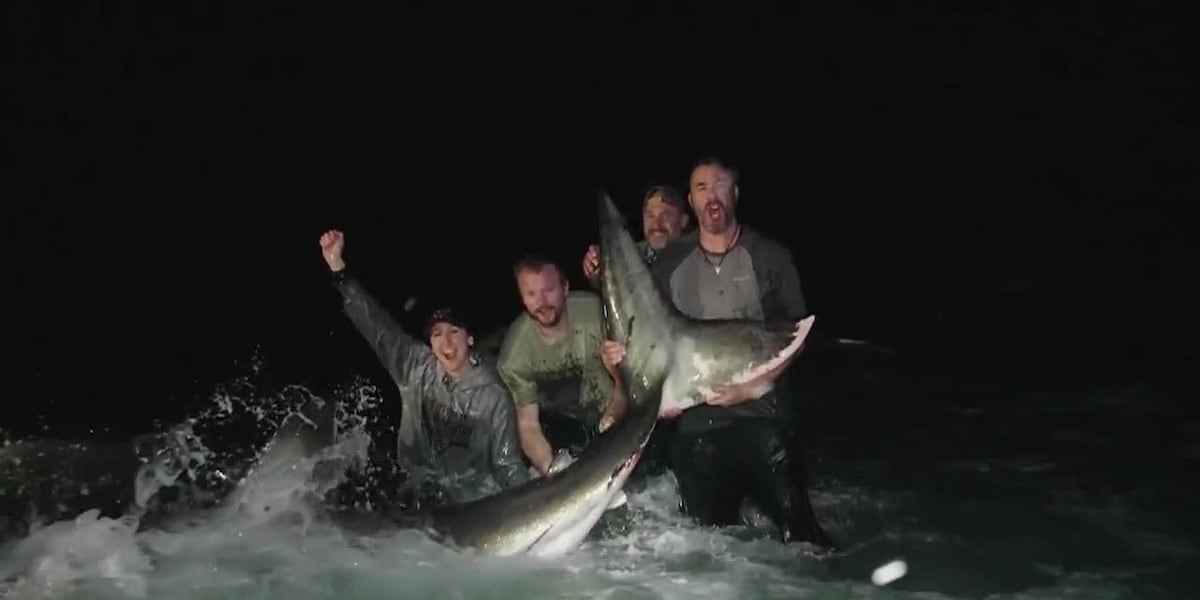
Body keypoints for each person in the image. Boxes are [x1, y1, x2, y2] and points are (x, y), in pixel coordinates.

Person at [632, 157, 837, 549]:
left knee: (806, 545)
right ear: (691, 202)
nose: (712, 194)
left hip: (764, 420)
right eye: (702, 187)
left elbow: (796, 335)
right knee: (711, 551)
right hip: (696, 430)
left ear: (735, 194)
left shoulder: (772, 257)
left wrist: (753, 387)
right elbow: (651, 338)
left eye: (720, 184)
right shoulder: (668, 263)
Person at [318, 229, 530, 507]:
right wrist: (337, 266)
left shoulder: (494, 397)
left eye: (454, 332)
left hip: (469, 502)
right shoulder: (415, 367)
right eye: (437, 335)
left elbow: (507, 465)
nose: (447, 343)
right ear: (429, 343)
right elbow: (375, 325)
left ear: (470, 338)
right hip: (413, 490)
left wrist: (531, 500)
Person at [495, 255, 627, 476]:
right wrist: (554, 470)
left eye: (548, 290)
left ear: (565, 288)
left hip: (612, 416)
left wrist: (613, 416)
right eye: (531, 294)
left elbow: (629, 385)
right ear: (523, 298)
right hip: (560, 432)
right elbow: (528, 426)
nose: (541, 302)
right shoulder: (514, 355)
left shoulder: (600, 314)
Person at [581, 184, 690, 285]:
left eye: (666, 215)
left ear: (683, 221)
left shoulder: (697, 258)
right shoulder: (629, 255)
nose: (656, 224)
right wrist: (599, 271)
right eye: (650, 215)